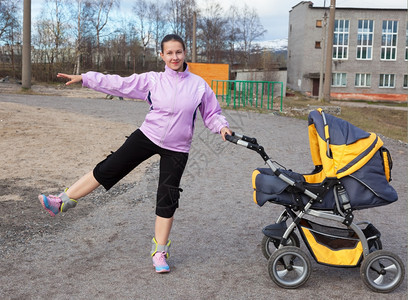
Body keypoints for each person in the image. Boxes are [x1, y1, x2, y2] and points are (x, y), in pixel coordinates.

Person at [38, 34, 232, 273]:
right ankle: (62, 201)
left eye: (178, 52)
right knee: (110, 166)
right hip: (148, 135)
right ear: (162, 56)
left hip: (177, 148)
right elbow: (119, 84)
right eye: (169, 53)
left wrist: (222, 127)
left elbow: (212, 114)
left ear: (185, 53)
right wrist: (86, 78)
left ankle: (159, 252)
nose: (174, 57)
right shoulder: (153, 80)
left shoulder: (199, 85)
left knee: (167, 196)